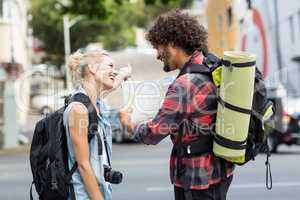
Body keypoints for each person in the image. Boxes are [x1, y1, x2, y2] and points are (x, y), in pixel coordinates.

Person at [119, 10, 234, 200]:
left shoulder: (185, 84)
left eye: (158, 47)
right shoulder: (210, 67)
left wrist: (128, 124)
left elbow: (154, 132)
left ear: (172, 43)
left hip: (198, 179)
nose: (157, 55)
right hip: (220, 171)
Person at [64, 48, 130, 200]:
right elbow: (83, 165)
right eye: (110, 66)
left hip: (100, 192)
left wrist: (124, 74)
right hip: (83, 196)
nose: (114, 71)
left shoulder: (96, 103)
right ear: (92, 68)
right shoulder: (79, 109)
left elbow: (113, 85)